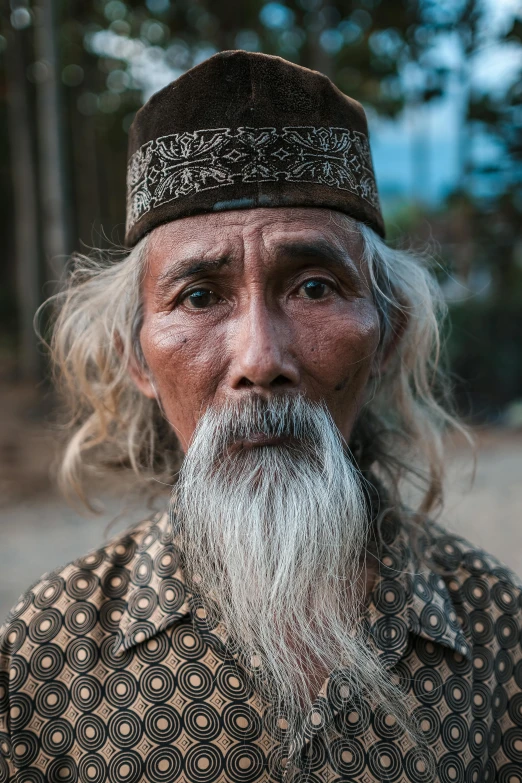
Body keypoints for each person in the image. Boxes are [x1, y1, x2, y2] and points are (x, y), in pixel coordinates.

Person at [1, 50, 521, 783]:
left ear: (390, 334)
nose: (259, 357)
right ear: (137, 358)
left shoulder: (500, 633)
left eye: (312, 286)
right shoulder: (40, 660)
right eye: (200, 297)